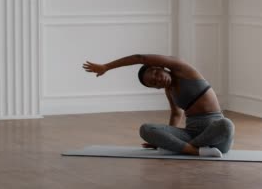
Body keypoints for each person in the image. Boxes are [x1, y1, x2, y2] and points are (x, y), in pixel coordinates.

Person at [82, 54, 235, 158]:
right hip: (191, 133)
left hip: (216, 138)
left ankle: (181, 148)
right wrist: (167, 136)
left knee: (226, 124)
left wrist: (107, 67)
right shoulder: (169, 91)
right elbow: (176, 114)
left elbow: (140, 57)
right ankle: (195, 151)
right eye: (154, 83)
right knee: (146, 129)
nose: (158, 80)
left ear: (159, 66)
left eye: (155, 74)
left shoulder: (182, 69)